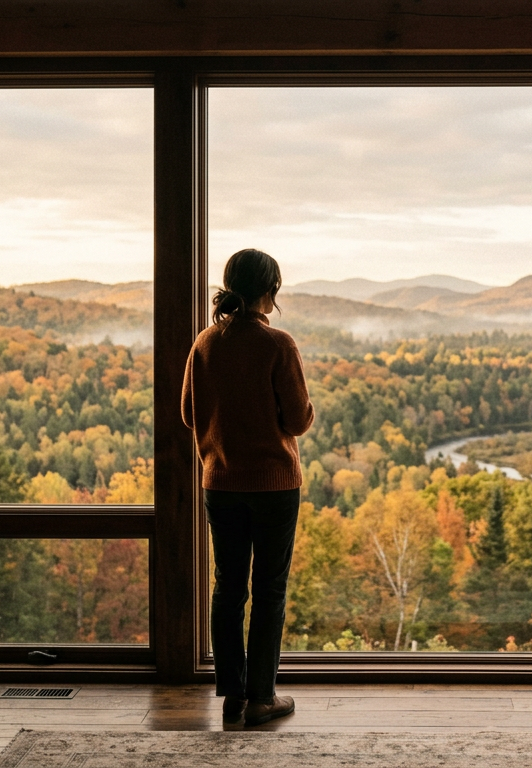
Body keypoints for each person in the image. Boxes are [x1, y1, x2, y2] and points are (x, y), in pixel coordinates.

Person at [182, 248, 314, 727]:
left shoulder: (205, 343)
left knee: (228, 587)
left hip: (220, 483)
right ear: (270, 291)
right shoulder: (278, 344)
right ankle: (262, 698)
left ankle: (232, 696)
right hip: (274, 486)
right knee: (269, 590)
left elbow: (188, 413)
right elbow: (297, 421)